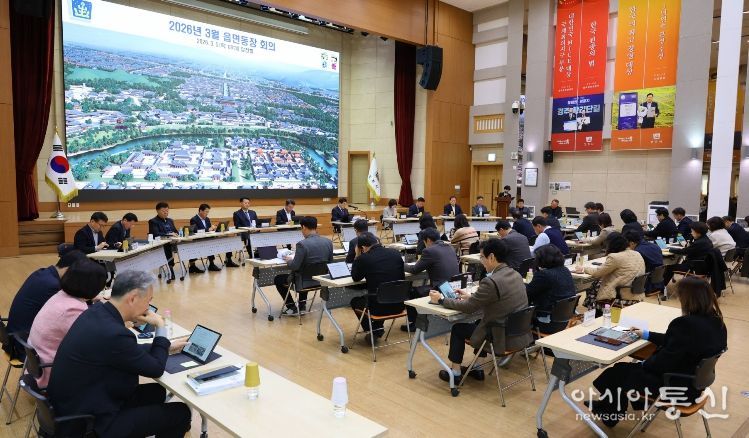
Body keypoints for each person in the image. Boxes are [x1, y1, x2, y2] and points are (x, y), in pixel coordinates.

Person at [47, 271, 191, 438]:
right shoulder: (114, 333)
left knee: (156, 391)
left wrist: (165, 346)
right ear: (133, 298)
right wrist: (160, 327)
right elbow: (156, 369)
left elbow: (122, 351)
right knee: (180, 413)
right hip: (91, 423)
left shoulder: (95, 312)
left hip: (74, 405)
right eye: (149, 300)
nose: (149, 306)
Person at [590, 277, 726, 428]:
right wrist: (646, 334)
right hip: (694, 386)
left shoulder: (685, 324)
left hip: (672, 386)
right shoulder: (717, 321)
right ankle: (608, 407)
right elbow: (678, 342)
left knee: (616, 372)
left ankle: (610, 414)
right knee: (623, 371)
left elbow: (664, 362)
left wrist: (644, 363)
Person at [428, 238, 531, 383]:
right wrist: (472, 297)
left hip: (500, 338)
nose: (481, 261)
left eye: (482, 257)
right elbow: (500, 298)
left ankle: (455, 373)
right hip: (518, 334)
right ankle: (477, 368)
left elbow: (468, 308)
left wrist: (440, 300)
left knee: (458, 328)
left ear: (492, 257)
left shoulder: (490, 281)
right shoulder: (516, 274)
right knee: (480, 323)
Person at [28, 259, 107, 387]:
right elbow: (94, 343)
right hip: (52, 373)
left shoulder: (61, 295)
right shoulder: (72, 309)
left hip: (38, 365)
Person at [3, 249, 87, 359]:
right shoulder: (53, 286)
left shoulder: (43, 273)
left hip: (15, 338)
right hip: (25, 348)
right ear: (68, 270)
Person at [350, 232, 406, 345]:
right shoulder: (395, 253)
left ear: (362, 248)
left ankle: (375, 330)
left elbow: (355, 277)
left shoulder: (364, 258)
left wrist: (357, 256)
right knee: (382, 295)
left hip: (378, 308)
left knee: (356, 301)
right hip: (399, 304)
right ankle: (377, 329)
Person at [274, 216, 333, 314]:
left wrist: (289, 260)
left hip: (303, 283)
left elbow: (294, 266)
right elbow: (330, 263)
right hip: (321, 281)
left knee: (278, 279)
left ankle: (291, 307)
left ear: (304, 227)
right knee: (306, 270)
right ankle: (302, 305)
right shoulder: (328, 242)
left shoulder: (302, 244)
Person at [404, 227, 460, 329]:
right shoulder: (449, 247)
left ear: (428, 240)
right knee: (422, 288)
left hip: (440, 289)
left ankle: (415, 324)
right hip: (454, 286)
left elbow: (414, 270)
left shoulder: (429, 251)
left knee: (411, 291)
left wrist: (400, 264)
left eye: (424, 242)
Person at [580, 233, 645, 313]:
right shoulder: (637, 253)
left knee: (594, 287)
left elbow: (597, 273)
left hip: (620, 294)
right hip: (636, 293)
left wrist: (584, 269)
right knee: (597, 284)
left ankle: (595, 313)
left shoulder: (615, 257)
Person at [525, 245, 576, 332]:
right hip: (565, 319)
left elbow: (527, 293)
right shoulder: (565, 270)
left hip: (546, 322)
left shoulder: (544, 275)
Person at [148, 202, 178, 280]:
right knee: (168, 247)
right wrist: (169, 234)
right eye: (163, 211)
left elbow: (176, 231)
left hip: (173, 242)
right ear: (157, 211)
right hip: (162, 244)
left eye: (167, 211)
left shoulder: (170, 220)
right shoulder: (153, 221)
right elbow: (155, 234)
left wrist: (175, 233)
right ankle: (170, 269)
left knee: (183, 245)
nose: (166, 212)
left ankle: (171, 267)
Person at [188, 204, 221, 273]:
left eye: (208, 212)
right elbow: (195, 231)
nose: (207, 213)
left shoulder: (207, 219)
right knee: (208, 244)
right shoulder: (194, 219)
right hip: (198, 241)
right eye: (206, 212)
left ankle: (211, 264)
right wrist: (208, 229)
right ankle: (192, 266)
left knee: (211, 242)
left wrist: (213, 229)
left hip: (207, 239)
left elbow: (209, 229)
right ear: (200, 211)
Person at [230, 197, 258, 267]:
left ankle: (260, 252)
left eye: (248, 203)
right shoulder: (237, 214)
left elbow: (257, 223)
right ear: (241, 203)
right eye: (245, 203)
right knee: (248, 237)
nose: (247, 204)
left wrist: (256, 229)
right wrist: (247, 229)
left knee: (263, 235)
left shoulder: (253, 212)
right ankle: (252, 254)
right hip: (244, 233)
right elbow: (237, 226)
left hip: (254, 231)